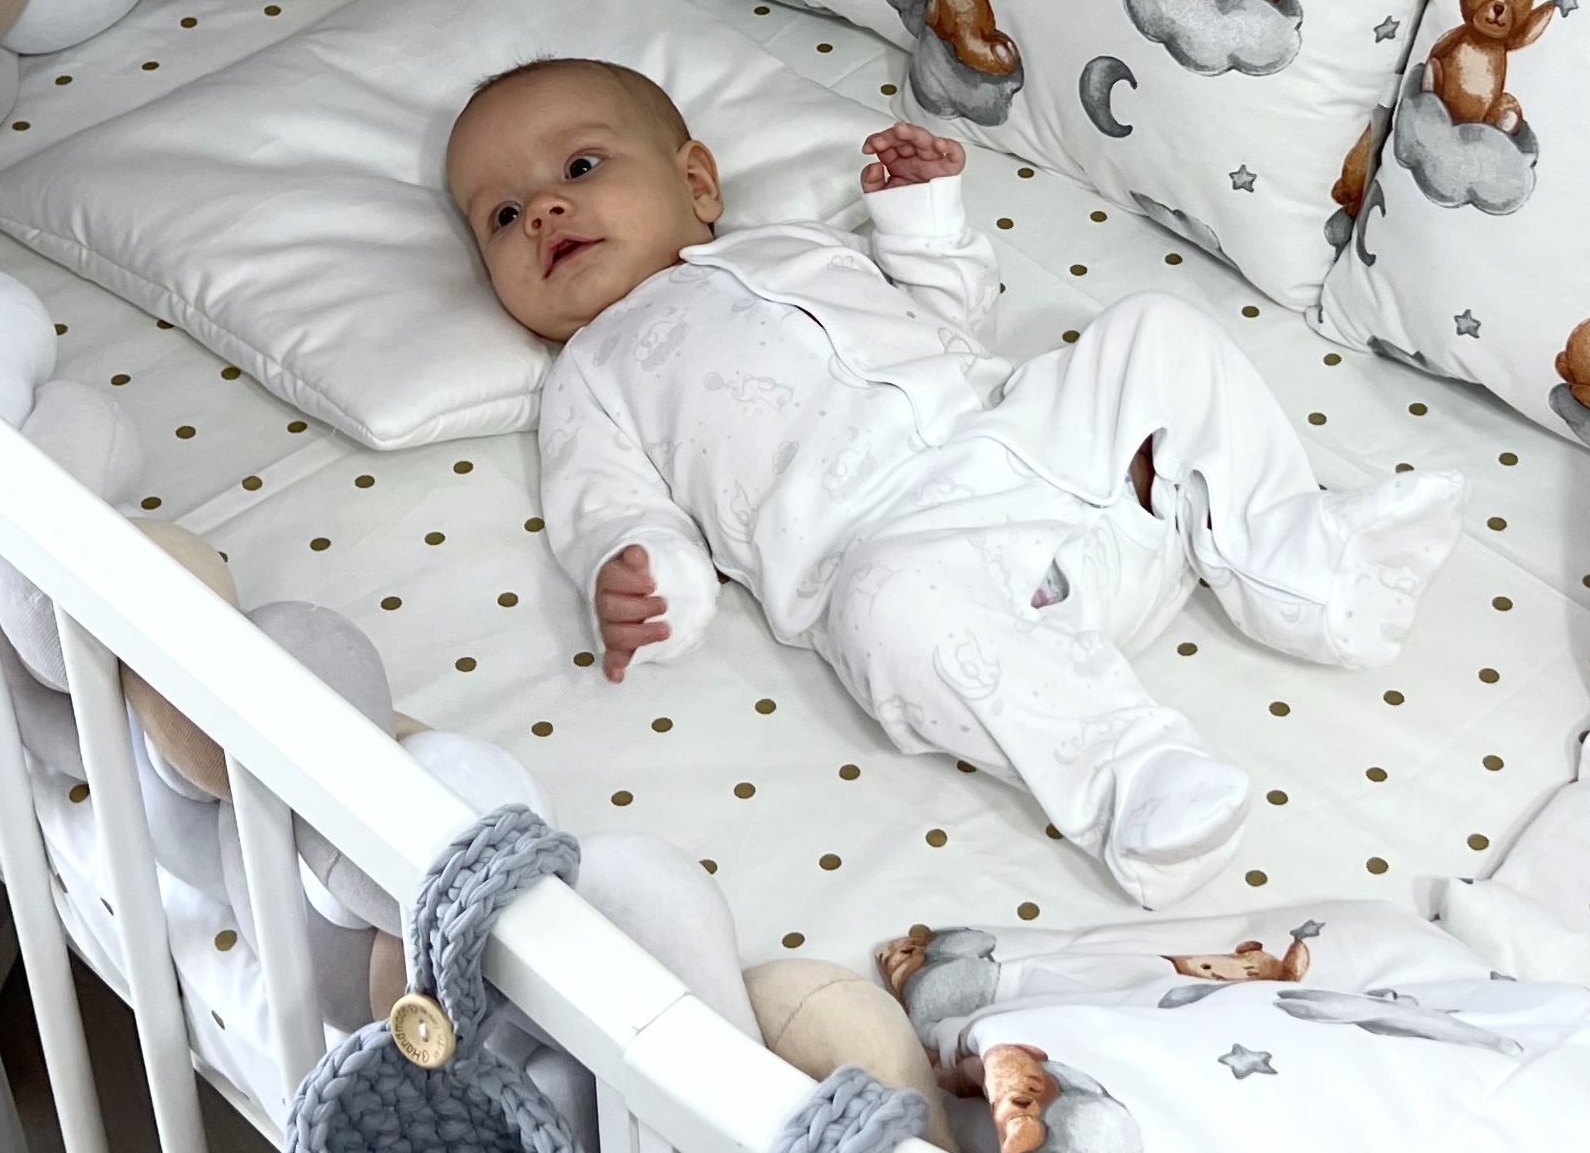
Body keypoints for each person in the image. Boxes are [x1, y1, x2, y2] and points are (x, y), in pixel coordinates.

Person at [445, 58, 1463, 905]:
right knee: (882, 608)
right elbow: (608, 507)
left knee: (1153, 334)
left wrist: (921, 222)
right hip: (921, 563)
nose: (545, 211)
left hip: (1052, 464)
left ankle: (1306, 566)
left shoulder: (796, 247)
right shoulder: (590, 377)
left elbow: (951, 313)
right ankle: (1132, 778)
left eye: (580, 166)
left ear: (698, 183)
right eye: (502, 215)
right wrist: (645, 581)